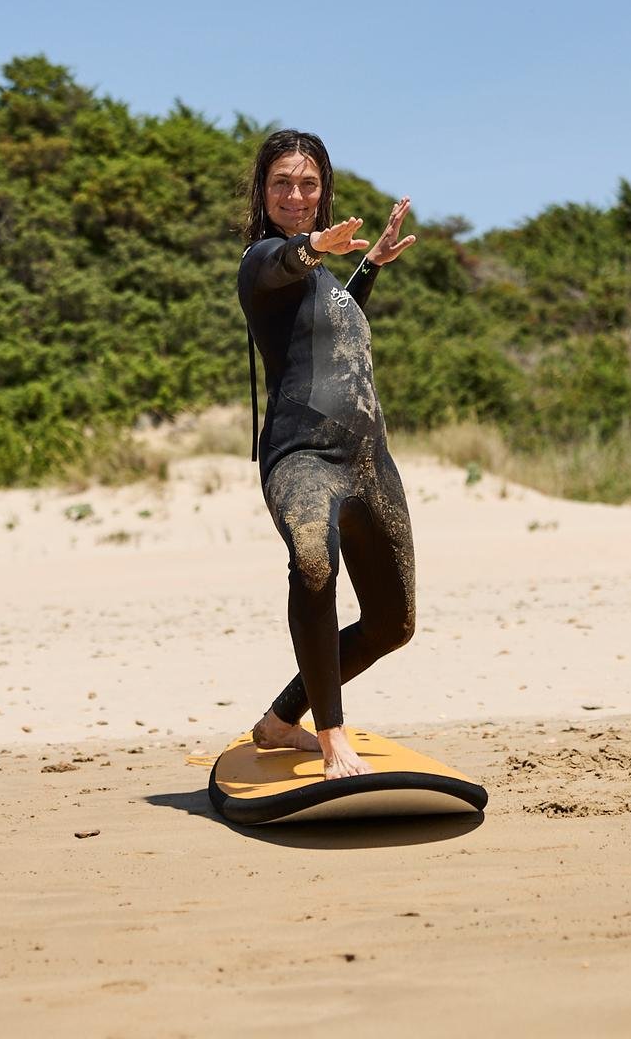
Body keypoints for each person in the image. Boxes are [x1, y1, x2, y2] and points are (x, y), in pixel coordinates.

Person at [237, 129, 420, 779]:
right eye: (282, 183)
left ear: (324, 191)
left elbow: (335, 318)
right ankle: (330, 735)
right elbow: (286, 261)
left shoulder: (324, 285)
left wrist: (367, 266)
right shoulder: (263, 262)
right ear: (263, 191)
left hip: (370, 461)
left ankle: (280, 720)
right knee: (314, 567)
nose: (295, 193)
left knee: (393, 625)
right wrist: (312, 246)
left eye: (307, 184)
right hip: (301, 456)